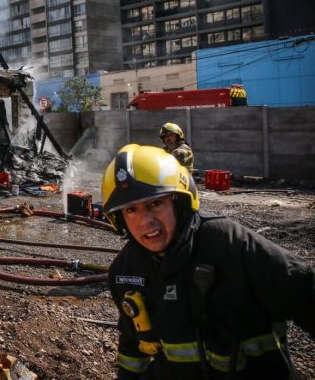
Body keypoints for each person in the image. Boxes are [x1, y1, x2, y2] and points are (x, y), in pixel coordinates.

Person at [102, 144, 315, 380]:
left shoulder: (231, 245)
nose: (145, 222)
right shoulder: (125, 271)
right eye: (131, 210)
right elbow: (133, 349)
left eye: (155, 204)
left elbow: (306, 290)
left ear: (179, 201)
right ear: (118, 218)